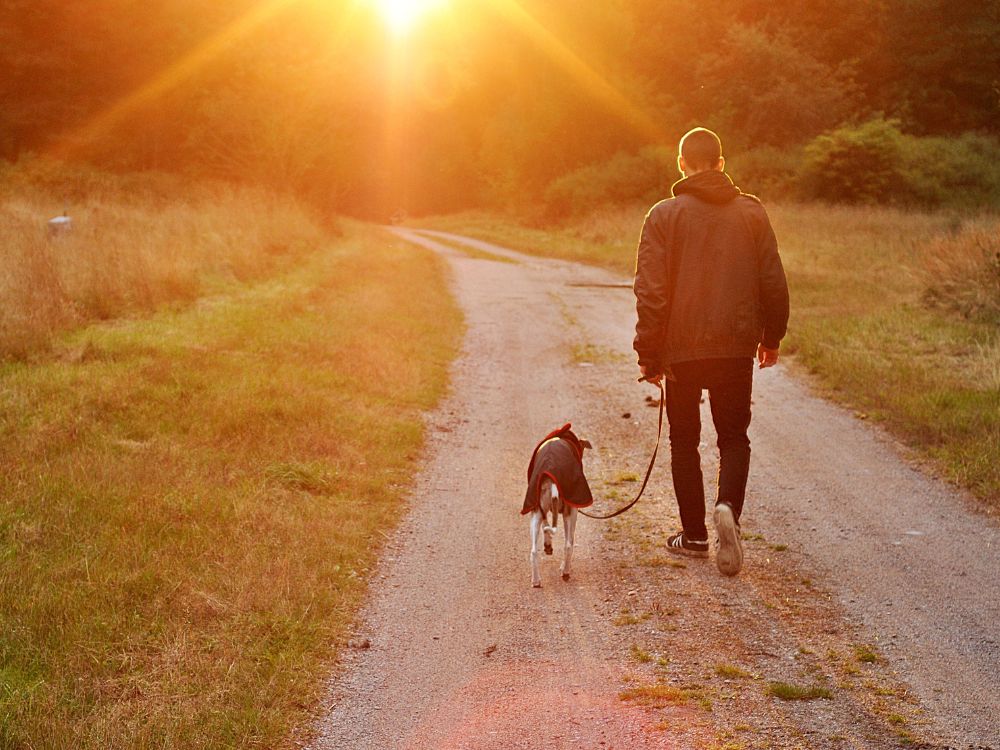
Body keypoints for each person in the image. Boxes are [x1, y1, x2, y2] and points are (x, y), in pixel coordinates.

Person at [632, 127, 789, 576]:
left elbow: (651, 291)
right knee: (734, 438)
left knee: (685, 443)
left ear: (681, 163)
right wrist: (771, 337)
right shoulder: (752, 213)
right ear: (721, 163)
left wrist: (649, 352)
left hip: (680, 351)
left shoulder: (663, 215)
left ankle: (695, 536)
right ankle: (727, 513)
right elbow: (773, 282)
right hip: (735, 347)